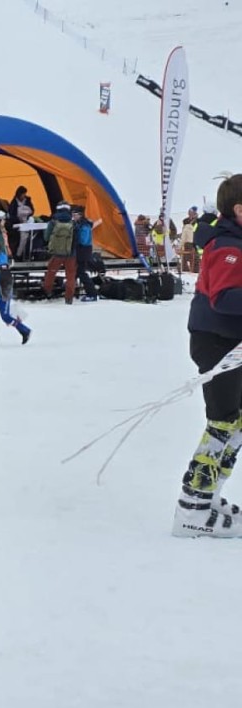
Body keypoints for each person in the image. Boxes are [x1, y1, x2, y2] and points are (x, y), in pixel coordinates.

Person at [173, 173, 242, 538]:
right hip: (217, 342)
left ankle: (208, 492)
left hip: (230, 342)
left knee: (235, 420)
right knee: (224, 422)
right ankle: (193, 507)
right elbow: (225, 298)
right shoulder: (227, 246)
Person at [0, 240, 30, 346]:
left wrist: (5, 294)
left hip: (2, 295)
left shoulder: (1, 261)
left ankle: (24, 330)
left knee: (5, 317)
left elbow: (6, 279)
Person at [42, 202, 77, 304]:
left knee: (51, 273)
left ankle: (48, 292)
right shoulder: (73, 222)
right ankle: (69, 298)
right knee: (70, 276)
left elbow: (46, 237)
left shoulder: (53, 222)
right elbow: (76, 238)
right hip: (71, 253)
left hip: (56, 253)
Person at [72, 205, 99, 302]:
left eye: (74, 214)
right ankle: (73, 290)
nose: (73, 216)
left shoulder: (84, 226)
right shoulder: (80, 224)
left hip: (83, 251)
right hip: (81, 251)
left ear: (80, 215)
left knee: (81, 273)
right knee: (77, 272)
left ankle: (92, 293)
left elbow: (83, 240)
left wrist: (75, 237)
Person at [7, 185, 35, 257]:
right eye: (23, 194)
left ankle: (23, 254)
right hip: (17, 224)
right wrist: (18, 220)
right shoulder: (13, 203)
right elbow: (11, 215)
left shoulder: (28, 200)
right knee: (21, 237)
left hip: (27, 222)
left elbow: (32, 211)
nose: (24, 196)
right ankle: (18, 254)